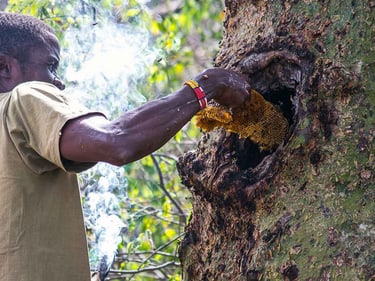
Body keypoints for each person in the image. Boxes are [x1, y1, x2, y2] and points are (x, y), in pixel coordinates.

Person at [0, 11, 250, 281]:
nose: (58, 82)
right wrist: (205, 88)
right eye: (51, 65)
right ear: (5, 68)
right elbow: (116, 141)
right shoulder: (23, 98)